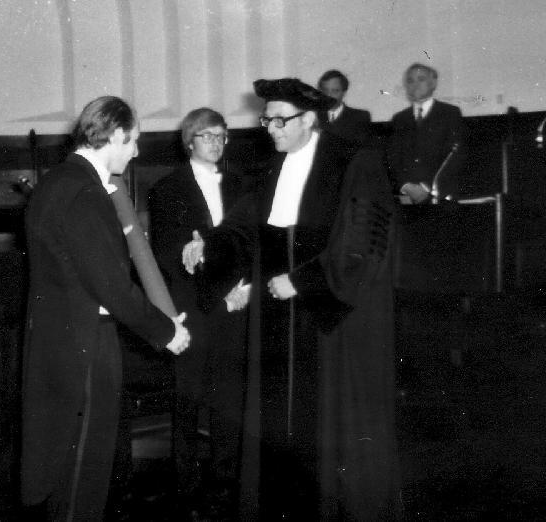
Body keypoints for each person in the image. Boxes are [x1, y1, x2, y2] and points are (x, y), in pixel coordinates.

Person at [182, 78, 401, 520]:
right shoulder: (272, 167)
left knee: (329, 426)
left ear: (309, 119)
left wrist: (304, 281)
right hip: (279, 317)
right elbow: (244, 228)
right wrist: (208, 245)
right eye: (267, 120)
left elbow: (363, 242)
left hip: (331, 319)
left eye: (281, 121)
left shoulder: (353, 160)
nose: (272, 130)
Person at [20, 95, 190, 521]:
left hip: (58, 343)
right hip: (87, 349)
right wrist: (167, 331)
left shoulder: (56, 182)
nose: (136, 151)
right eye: (132, 141)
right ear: (115, 135)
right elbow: (112, 286)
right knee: (84, 474)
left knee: (65, 468)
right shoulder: (86, 192)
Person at [148, 108, 250, 518]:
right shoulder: (167, 188)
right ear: (189, 141)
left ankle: (225, 477)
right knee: (188, 396)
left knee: (229, 394)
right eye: (206, 136)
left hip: (235, 302)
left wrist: (243, 286)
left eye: (221, 136)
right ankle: (186, 481)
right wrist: (197, 260)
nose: (215, 143)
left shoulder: (241, 184)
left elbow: (250, 241)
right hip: (192, 304)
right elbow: (165, 252)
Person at [387, 63, 467, 204]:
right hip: (406, 197)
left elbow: (456, 156)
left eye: (421, 79)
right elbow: (392, 159)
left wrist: (426, 187)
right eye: (410, 81)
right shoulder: (399, 119)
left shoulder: (450, 113)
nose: (415, 84)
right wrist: (405, 186)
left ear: (433, 83)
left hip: (440, 195)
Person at [317, 69, 372, 148]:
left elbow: (362, 149)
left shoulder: (360, 117)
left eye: (335, 91)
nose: (329, 95)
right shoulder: (312, 116)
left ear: (344, 92)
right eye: (325, 91)